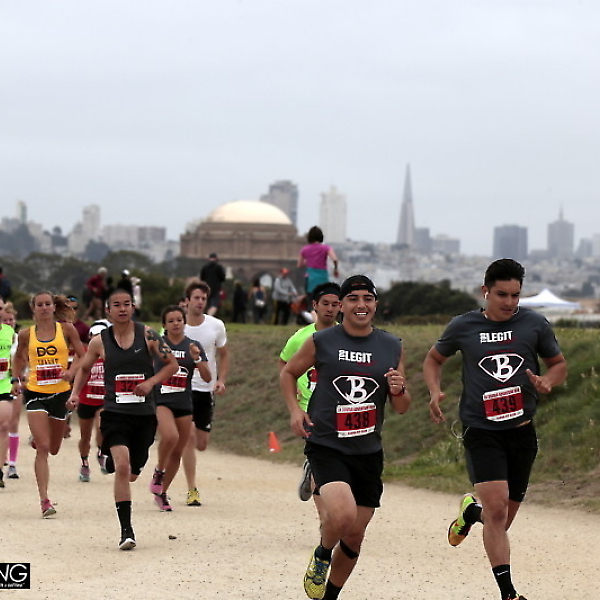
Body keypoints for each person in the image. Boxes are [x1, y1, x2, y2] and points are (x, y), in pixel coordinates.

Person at [422, 258, 567, 600]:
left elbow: (558, 365)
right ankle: (509, 594)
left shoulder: (534, 324)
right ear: (485, 291)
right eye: (502, 294)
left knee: (499, 520)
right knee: (498, 512)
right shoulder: (463, 326)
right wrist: (434, 391)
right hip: (482, 431)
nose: (509, 302)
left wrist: (548, 380)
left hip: (522, 432)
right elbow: (433, 359)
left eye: (516, 295)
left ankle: (470, 512)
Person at [280, 275, 411, 600]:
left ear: (376, 304)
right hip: (327, 444)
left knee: (353, 537)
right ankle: (323, 552)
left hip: (367, 450)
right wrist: (295, 411)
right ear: (342, 305)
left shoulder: (392, 346)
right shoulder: (322, 341)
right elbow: (288, 372)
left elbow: (402, 407)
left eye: (368, 298)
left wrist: (399, 389)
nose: (361, 305)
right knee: (342, 515)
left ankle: (330, 596)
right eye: (353, 299)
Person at [68, 288, 178, 550]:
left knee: (132, 474)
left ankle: (111, 460)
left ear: (133, 307)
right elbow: (85, 368)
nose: (122, 309)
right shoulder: (100, 341)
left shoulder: (148, 335)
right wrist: (74, 394)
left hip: (144, 415)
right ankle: (126, 531)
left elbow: (172, 364)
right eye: (116, 305)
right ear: (108, 310)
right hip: (114, 414)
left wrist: (150, 382)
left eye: (127, 304)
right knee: (122, 466)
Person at [11, 292, 85, 517]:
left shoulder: (66, 330)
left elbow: (82, 355)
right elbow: (19, 357)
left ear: (54, 307)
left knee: (53, 448)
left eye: (47, 304)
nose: (44, 308)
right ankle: (45, 500)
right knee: (43, 448)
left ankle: (40, 437)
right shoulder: (26, 334)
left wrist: (71, 371)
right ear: (33, 308)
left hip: (60, 394)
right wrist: (16, 379)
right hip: (35, 392)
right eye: (39, 305)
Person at [278, 282, 341, 503]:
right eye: (325, 304)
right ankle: (325, 515)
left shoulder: (346, 336)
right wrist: (293, 390)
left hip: (337, 406)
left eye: (335, 304)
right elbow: (284, 363)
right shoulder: (300, 337)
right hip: (309, 406)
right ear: (315, 305)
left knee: (334, 458)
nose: (330, 309)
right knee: (323, 458)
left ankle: (312, 469)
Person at [148, 306, 211, 511]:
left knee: (177, 451)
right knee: (170, 436)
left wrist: (197, 358)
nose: (176, 324)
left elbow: (208, 377)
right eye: (171, 321)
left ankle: (162, 492)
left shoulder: (193, 345)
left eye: (179, 320)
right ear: (164, 325)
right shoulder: (158, 344)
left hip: (184, 403)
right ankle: (159, 471)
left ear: (184, 322)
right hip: (161, 400)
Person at [181, 281, 229, 506]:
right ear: (187, 301)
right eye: (196, 298)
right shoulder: (175, 325)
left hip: (205, 390)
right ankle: (192, 489)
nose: (200, 302)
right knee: (188, 437)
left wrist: (221, 380)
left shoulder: (216, 326)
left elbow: (224, 354)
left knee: (201, 443)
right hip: (182, 389)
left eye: (203, 299)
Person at [76, 320, 110, 483]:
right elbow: (78, 372)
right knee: (85, 437)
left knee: (101, 428)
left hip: (103, 400)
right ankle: (84, 462)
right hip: (86, 400)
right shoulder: (85, 353)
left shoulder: (111, 354)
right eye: (94, 336)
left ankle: (101, 452)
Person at [3, 303, 21, 478]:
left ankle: (13, 464)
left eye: (11, 320)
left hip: (14, 384)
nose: (9, 322)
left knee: (12, 423)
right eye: (6, 320)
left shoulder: (18, 338)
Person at [298, 226, 339, 303]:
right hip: (322, 278)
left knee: (311, 302)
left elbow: (299, 265)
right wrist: (335, 270)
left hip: (310, 279)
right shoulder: (326, 248)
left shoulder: (304, 249)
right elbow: (335, 259)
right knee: (323, 301)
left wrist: (308, 262)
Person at [0, 297, 15, 489]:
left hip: (4, 385)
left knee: (4, 426)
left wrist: (16, 378)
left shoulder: (10, 332)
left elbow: (17, 358)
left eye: (0, 308)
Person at [200, 253, 226, 317]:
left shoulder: (205, 267)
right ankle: (208, 317)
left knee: (206, 304)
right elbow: (223, 278)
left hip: (206, 288)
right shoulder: (219, 267)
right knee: (214, 305)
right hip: (215, 289)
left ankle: (204, 316)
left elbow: (202, 278)